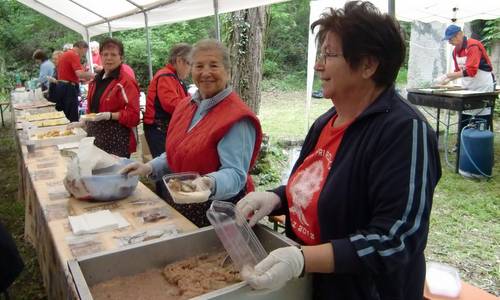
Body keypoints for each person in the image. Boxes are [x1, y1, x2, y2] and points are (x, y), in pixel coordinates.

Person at [236, 2, 442, 299]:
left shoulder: (404, 130)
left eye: (329, 54)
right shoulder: (325, 123)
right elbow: (317, 188)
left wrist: (304, 259)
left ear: (368, 65)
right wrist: (277, 197)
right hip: (315, 287)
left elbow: (396, 238)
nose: (319, 65)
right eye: (321, 54)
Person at [121, 39, 263, 227]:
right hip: (183, 204)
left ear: (228, 72)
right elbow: (179, 152)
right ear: (191, 70)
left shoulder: (237, 118)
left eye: (213, 65)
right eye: (199, 66)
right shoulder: (186, 105)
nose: (205, 73)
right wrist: (149, 167)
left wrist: (207, 183)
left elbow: (236, 174)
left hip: (217, 214)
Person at [81, 37, 140, 158]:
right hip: (95, 136)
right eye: (105, 54)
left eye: (113, 54)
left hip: (116, 139)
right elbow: (92, 110)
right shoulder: (96, 80)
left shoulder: (126, 82)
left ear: (121, 58)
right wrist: (84, 121)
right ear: (100, 56)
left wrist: (110, 115)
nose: (108, 58)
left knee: (113, 175)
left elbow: (134, 116)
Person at [437, 24, 495, 133]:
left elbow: (471, 71)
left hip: (482, 87)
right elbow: (458, 71)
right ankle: (462, 143)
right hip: (468, 88)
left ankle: (479, 143)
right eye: (448, 39)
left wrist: (447, 75)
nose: (449, 42)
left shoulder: (473, 46)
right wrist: (445, 81)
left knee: (481, 116)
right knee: (465, 116)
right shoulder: (455, 52)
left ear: (459, 34)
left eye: (450, 39)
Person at [144, 43, 192, 158]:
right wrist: (193, 105)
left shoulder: (173, 77)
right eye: (190, 64)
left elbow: (183, 98)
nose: (191, 69)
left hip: (164, 129)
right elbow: (171, 104)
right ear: (180, 60)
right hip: (159, 130)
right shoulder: (165, 76)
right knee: (165, 167)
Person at [54, 41, 94, 122]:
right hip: (68, 88)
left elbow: (70, 74)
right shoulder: (73, 55)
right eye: (85, 51)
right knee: (72, 116)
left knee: (66, 114)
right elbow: (79, 74)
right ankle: (75, 132)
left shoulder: (66, 54)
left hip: (62, 86)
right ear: (81, 47)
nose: (84, 54)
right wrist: (94, 76)